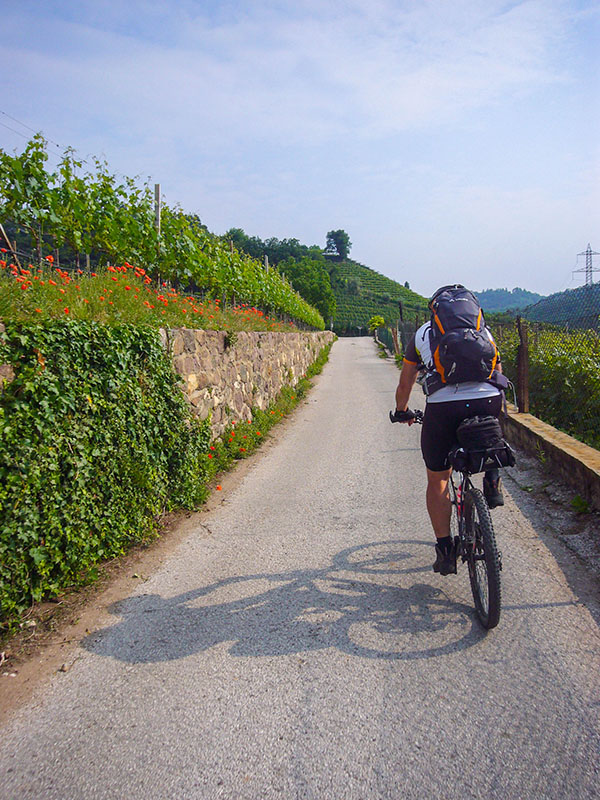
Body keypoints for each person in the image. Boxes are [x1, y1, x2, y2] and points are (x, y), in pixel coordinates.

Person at [391, 285, 505, 576]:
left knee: (438, 478)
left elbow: (405, 384)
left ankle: (446, 551)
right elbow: (498, 372)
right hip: (488, 400)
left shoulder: (422, 334)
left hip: (444, 407)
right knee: (490, 432)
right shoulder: (484, 331)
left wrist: (402, 410)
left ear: (436, 311)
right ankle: (492, 478)